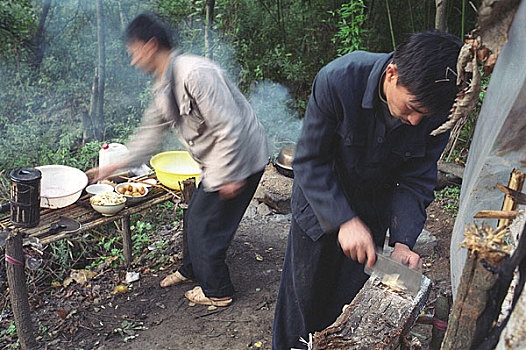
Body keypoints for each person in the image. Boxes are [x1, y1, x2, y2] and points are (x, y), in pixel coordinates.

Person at [272, 31, 462, 349]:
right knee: (303, 302)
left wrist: (402, 242)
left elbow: (416, 179)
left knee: (352, 304)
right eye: (412, 107)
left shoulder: (436, 112)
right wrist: (343, 220)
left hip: (373, 210)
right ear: (392, 74)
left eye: (425, 115)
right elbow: (311, 160)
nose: (416, 121)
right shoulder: (339, 80)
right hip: (320, 204)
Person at [95, 14, 269, 307]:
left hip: (240, 159)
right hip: (216, 162)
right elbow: (151, 133)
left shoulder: (196, 73)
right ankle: (191, 270)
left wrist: (231, 175)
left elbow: (230, 126)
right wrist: (115, 165)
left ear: (149, 46)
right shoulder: (164, 84)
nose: (132, 61)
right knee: (195, 216)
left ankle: (218, 291)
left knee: (204, 226)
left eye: (132, 52)